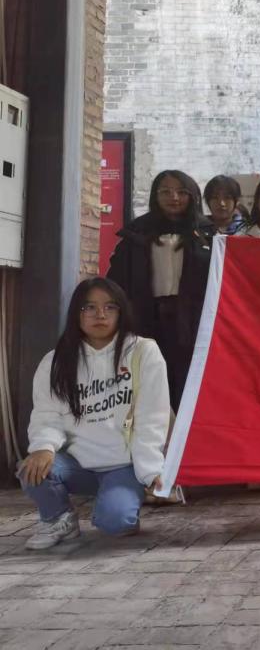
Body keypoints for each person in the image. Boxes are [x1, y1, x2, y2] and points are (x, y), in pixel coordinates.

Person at [19, 278, 170, 548]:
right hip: (76, 465)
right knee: (31, 469)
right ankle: (59, 519)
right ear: (76, 313)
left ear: (121, 312)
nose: (100, 314)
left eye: (110, 307)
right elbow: (47, 414)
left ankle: (119, 503)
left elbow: (152, 418)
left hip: (123, 465)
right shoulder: (55, 361)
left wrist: (150, 470)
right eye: (89, 307)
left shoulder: (143, 352)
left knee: (116, 522)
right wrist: (43, 447)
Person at [108, 170, 210, 412]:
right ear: (155, 196)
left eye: (181, 192)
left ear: (192, 196)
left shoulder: (207, 233)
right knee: (151, 377)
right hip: (148, 317)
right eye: (166, 192)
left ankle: (184, 429)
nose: (174, 197)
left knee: (188, 380)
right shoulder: (136, 233)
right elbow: (117, 280)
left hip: (192, 320)